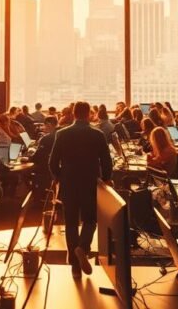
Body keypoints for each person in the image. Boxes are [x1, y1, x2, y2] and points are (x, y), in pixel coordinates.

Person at [49, 101, 114, 278]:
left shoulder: (62, 134)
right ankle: (83, 248)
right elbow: (107, 160)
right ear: (88, 114)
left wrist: (58, 177)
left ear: (74, 114)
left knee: (70, 224)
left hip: (68, 184)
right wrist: (107, 179)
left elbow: (52, 162)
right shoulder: (98, 134)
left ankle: (75, 267)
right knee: (90, 220)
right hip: (90, 183)